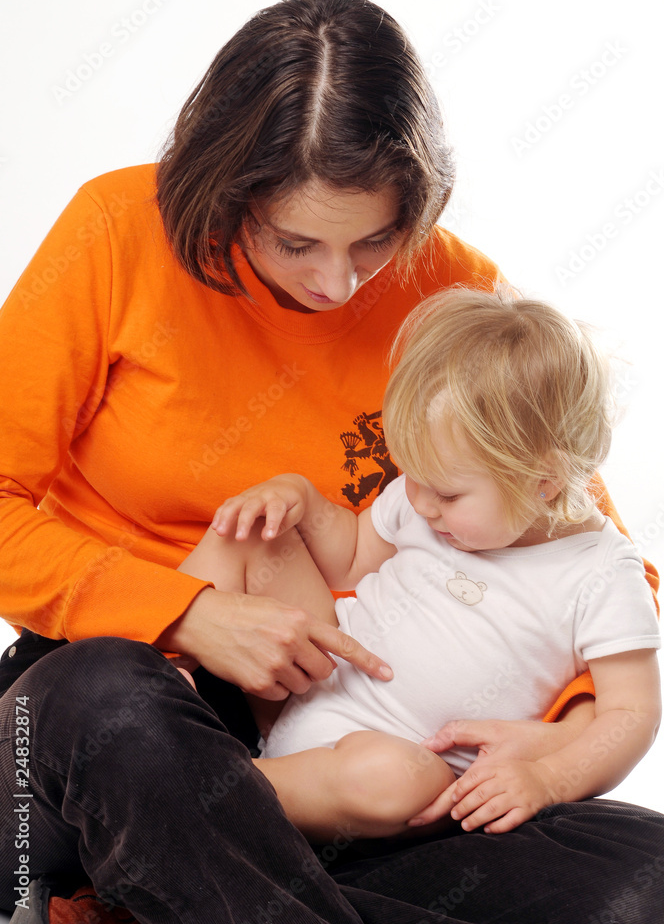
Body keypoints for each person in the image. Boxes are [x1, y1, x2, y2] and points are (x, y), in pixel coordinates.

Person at [0, 0, 661, 924]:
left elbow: (577, 528)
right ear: (225, 196)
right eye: (296, 242)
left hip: (361, 738)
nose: (337, 281)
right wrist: (186, 615)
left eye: (376, 241)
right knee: (107, 703)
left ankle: (161, 879)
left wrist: (553, 752)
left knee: (644, 875)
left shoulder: (456, 295)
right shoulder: (115, 232)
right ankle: (163, 851)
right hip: (136, 692)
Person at [209, 287, 661, 842]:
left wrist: (547, 778)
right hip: (306, 680)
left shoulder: (603, 574)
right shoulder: (427, 495)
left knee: (397, 780)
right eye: (410, 475)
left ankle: (213, 792)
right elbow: (349, 561)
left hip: (389, 759)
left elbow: (631, 715)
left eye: (446, 494)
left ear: (544, 482)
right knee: (253, 533)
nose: (418, 502)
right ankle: (156, 680)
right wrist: (296, 495)